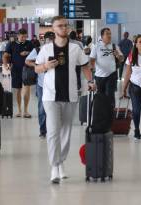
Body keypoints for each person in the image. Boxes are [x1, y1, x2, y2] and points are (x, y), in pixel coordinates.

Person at [35, 16, 95, 184]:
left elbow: (85, 66)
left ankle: (61, 162)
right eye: (59, 26)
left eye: (65, 25)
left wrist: (90, 81)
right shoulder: (46, 49)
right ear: (53, 29)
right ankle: (54, 166)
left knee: (66, 132)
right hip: (50, 96)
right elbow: (37, 68)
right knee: (53, 131)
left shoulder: (76, 48)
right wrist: (46, 66)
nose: (63, 28)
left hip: (70, 95)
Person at [26, 32, 55, 139]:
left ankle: (52, 129)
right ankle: (43, 130)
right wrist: (38, 65)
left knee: (54, 107)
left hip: (55, 84)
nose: (50, 41)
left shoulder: (58, 49)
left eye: (52, 39)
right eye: (49, 39)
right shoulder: (38, 49)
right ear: (44, 40)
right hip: (41, 84)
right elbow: (27, 60)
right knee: (42, 108)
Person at [3, 28, 34, 118]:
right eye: (22, 36)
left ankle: (26, 110)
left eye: (25, 36)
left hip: (27, 69)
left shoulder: (29, 44)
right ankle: (19, 110)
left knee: (27, 89)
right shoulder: (11, 44)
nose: (24, 38)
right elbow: (5, 55)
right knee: (18, 90)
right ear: (18, 36)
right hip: (16, 70)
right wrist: (6, 65)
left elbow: (35, 53)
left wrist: (27, 52)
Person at [89, 28, 124, 106]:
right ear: (102, 36)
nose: (109, 35)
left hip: (111, 75)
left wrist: (118, 55)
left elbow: (122, 59)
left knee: (110, 95)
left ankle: (110, 114)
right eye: (107, 34)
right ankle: (101, 113)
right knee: (100, 95)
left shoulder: (114, 46)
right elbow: (92, 59)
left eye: (110, 33)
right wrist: (92, 67)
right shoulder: (96, 46)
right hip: (99, 76)